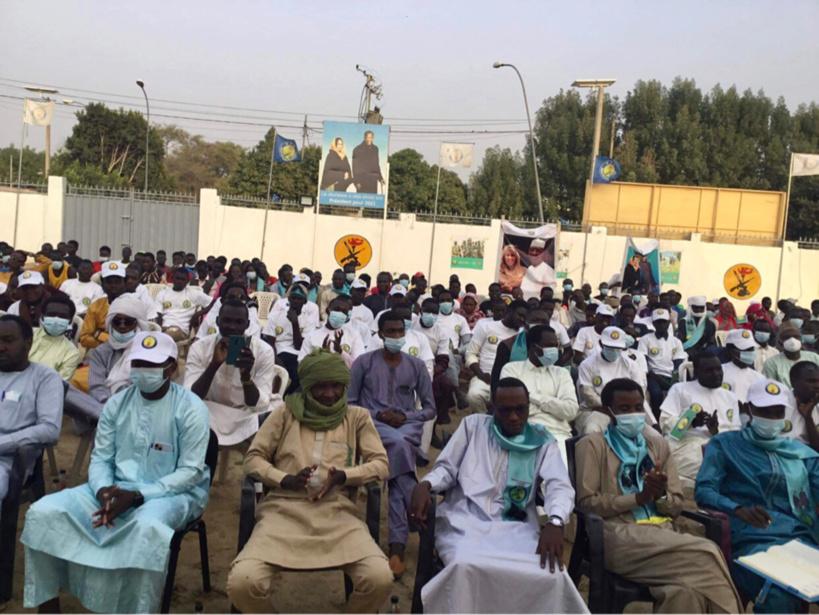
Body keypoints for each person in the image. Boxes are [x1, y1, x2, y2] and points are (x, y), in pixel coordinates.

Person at [22, 331, 211, 614]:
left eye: (152, 364)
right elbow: (101, 458)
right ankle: (49, 607)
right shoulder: (117, 403)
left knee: (147, 529)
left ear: (172, 367)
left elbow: (190, 472)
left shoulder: (191, 408)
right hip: (111, 487)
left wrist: (136, 495)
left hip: (171, 494)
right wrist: (102, 491)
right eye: (139, 364)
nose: (144, 371)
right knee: (43, 512)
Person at [227, 350, 392, 613]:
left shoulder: (357, 417)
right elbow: (253, 459)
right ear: (307, 387)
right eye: (320, 387)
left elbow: (381, 464)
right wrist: (285, 480)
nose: (329, 394)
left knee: (380, 579)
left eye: (335, 386)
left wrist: (344, 476)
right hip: (282, 513)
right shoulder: (284, 414)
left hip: (338, 515)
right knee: (242, 583)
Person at [409, 377, 586, 614]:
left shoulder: (542, 441)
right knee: (465, 565)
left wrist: (555, 521)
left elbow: (559, 484)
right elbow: (447, 468)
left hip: (517, 526)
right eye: (505, 410)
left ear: (528, 406)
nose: (513, 417)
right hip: (465, 519)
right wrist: (426, 483)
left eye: (520, 409)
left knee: (552, 576)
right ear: (492, 407)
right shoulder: (473, 427)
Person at [576, 378, 743, 613]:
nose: (634, 414)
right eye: (624, 409)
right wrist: (638, 498)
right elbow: (587, 503)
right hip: (618, 534)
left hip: (662, 533)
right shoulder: (592, 445)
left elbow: (675, 504)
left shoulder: (657, 446)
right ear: (608, 411)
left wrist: (660, 496)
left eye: (638, 407)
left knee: (685, 592)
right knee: (707, 552)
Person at [695, 378, 819, 614]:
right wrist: (737, 509)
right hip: (750, 539)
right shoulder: (725, 444)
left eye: (777, 412)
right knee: (778, 598)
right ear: (749, 409)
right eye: (764, 411)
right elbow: (704, 490)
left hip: (801, 539)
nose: (772, 418)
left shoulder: (800, 453)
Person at [348, 311, 436, 578]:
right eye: (391, 332)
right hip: (373, 425)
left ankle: (397, 549)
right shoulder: (363, 363)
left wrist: (406, 416)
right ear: (380, 334)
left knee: (399, 460)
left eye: (400, 331)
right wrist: (378, 415)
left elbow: (430, 409)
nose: (396, 336)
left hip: (407, 427)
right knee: (400, 451)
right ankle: (412, 530)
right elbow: (350, 404)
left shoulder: (417, 365)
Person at [186, 299, 276, 447]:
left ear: (247, 325)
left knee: (272, 416)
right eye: (226, 321)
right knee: (187, 412)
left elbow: (259, 405)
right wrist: (213, 365)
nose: (232, 327)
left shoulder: (263, 351)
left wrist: (246, 377)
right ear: (217, 321)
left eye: (239, 322)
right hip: (210, 412)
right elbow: (191, 397)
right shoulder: (200, 347)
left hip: (246, 415)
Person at [0, 315, 64, 507]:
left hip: (9, 461)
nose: (1, 347)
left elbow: (49, 430)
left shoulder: (44, 377)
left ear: (28, 343)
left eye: (8, 341)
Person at [500, 325, 579, 463]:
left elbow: (570, 411)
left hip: (557, 434)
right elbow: (512, 409)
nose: (554, 350)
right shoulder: (511, 369)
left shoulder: (562, 373)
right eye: (549, 346)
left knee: (557, 478)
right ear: (533, 347)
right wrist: (554, 406)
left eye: (556, 345)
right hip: (522, 432)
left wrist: (530, 397)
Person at [659, 352, 741, 483]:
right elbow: (665, 423)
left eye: (718, 369)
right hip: (687, 444)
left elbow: (735, 429)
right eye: (709, 370)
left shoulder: (729, 396)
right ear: (696, 372)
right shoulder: (680, 389)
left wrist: (716, 432)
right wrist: (690, 422)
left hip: (722, 443)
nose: (716, 374)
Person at [576, 326, 653, 435]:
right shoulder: (587, 364)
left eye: (617, 348)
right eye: (610, 347)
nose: (614, 351)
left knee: (652, 436)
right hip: (596, 410)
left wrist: (653, 423)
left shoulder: (631, 365)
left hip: (627, 411)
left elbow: (640, 393)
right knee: (592, 430)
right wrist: (611, 409)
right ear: (601, 343)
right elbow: (589, 396)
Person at [464, 299, 527, 415]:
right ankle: (485, 419)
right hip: (485, 377)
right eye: (520, 315)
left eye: (525, 318)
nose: (522, 320)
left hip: (511, 380)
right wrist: (480, 374)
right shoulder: (486, 327)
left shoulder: (523, 335)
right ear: (510, 311)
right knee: (474, 396)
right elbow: (471, 353)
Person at [262, 285, 319, 393]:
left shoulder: (309, 320)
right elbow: (270, 342)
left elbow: (299, 346)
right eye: (293, 298)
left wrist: (294, 323)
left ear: (305, 301)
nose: (295, 301)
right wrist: (275, 360)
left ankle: (286, 399)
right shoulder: (275, 316)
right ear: (288, 299)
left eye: (299, 299)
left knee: (298, 377)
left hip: (297, 354)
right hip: (278, 353)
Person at [412, 298, 457, 424]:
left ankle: (437, 419)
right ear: (421, 311)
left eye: (434, 313)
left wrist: (429, 373)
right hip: (408, 365)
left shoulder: (441, 333)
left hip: (430, 369)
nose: (431, 316)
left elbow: (443, 360)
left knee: (446, 385)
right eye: (427, 312)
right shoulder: (411, 324)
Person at [638, 309, 687, 417]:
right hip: (652, 375)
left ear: (669, 323)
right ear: (653, 323)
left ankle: (674, 420)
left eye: (664, 322)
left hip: (670, 376)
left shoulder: (676, 341)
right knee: (656, 393)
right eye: (658, 322)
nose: (661, 324)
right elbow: (643, 363)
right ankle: (657, 420)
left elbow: (678, 364)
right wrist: (657, 378)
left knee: (679, 393)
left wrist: (673, 381)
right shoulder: (645, 339)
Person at [298, 296, 365, 367]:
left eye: (344, 311)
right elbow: (302, 364)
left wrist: (340, 351)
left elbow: (358, 365)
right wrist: (322, 355)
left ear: (347, 316)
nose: (340, 313)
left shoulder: (353, 334)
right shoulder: (312, 336)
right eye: (336, 309)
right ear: (328, 310)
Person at [30, 295, 80, 382]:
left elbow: (58, 385)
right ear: (42, 316)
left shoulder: (71, 352)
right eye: (51, 315)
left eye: (62, 316)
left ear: (70, 320)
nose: (56, 320)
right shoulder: (26, 334)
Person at [155, 267, 213, 342]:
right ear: (172, 278)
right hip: (164, 328)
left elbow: (215, 303)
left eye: (182, 279)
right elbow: (158, 313)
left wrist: (198, 314)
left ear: (187, 281)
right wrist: (158, 330)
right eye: (177, 278)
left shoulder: (194, 293)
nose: (179, 281)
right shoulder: (163, 294)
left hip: (181, 329)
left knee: (164, 338)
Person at [79, 262, 126, 350]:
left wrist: (98, 334)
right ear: (102, 282)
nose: (113, 286)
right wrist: (109, 343)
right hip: (100, 350)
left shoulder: (134, 304)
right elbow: (84, 339)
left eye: (117, 282)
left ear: (124, 282)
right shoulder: (95, 306)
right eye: (109, 282)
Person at [763, 321, 819, 387]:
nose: (792, 340)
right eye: (786, 337)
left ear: (801, 339)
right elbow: (772, 387)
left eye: (796, 336)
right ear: (780, 341)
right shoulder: (772, 363)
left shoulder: (814, 357)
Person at [721, 328, 765, 404]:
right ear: (731, 350)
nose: (749, 352)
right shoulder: (719, 372)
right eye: (744, 349)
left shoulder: (759, 378)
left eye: (751, 349)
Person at [784, 361, 819, 451]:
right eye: (811, 381)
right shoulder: (780, 405)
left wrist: (808, 418)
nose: (817, 386)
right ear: (793, 382)